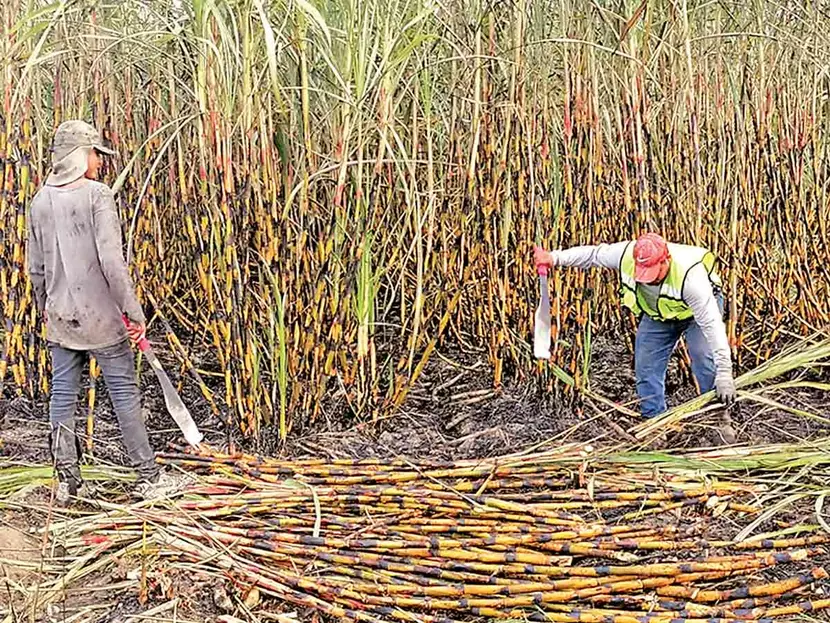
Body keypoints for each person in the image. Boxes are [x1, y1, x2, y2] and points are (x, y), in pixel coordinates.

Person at [27, 120, 177, 505]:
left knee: (62, 395)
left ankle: (68, 482)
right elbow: (112, 262)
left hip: (60, 316)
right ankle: (149, 476)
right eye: (95, 154)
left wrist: (47, 305)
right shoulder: (97, 196)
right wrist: (133, 311)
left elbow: (36, 269)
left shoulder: (40, 201)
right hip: (101, 319)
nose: (99, 162)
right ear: (79, 156)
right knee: (124, 392)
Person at [533, 233, 737, 418]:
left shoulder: (691, 279)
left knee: (703, 356)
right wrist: (554, 258)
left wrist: (725, 374)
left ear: (666, 260)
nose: (649, 279)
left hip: (693, 314)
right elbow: (593, 255)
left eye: (654, 272)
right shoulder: (626, 255)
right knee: (646, 366)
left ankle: (717, 416)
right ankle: (654, 421)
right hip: (658, 315)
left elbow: (713, 328)